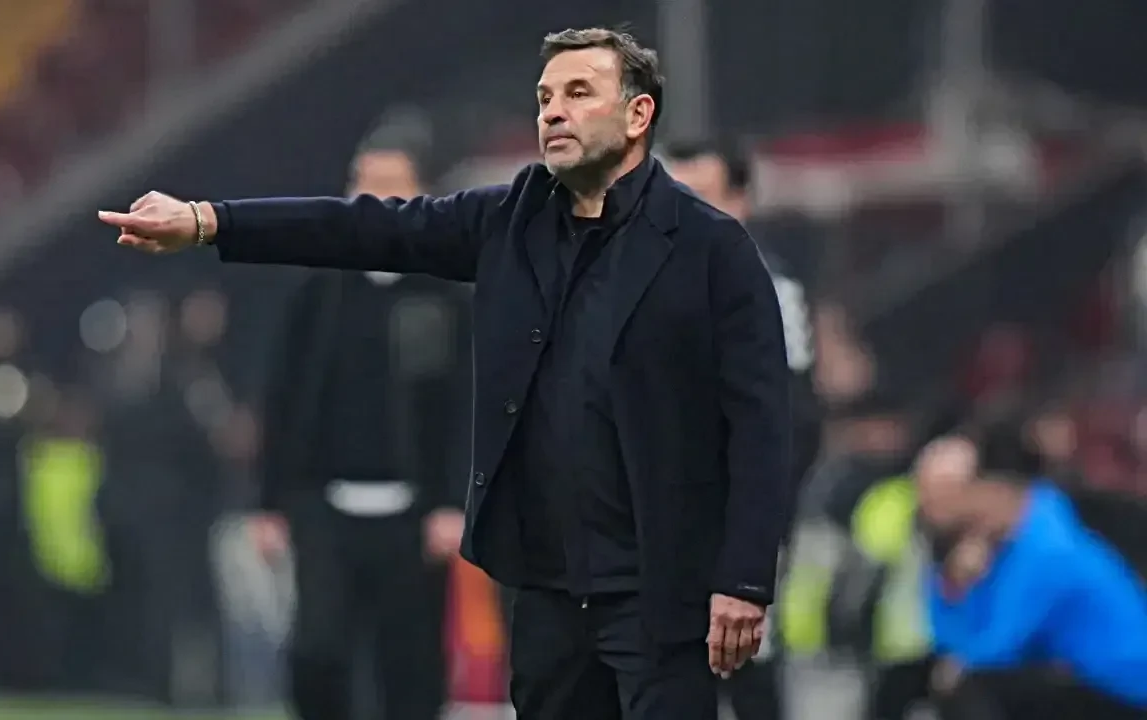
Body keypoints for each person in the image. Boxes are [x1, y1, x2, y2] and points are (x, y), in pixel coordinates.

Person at [98, 26, 793, 720]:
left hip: (662, 586)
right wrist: (209, 221)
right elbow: (359, 228)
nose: (554, 111)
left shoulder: (714, 250)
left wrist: (743, 578)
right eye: (545, 97)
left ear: (638, 114)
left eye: (579, 93)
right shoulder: (510, 221)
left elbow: (760, 425)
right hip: (545, 587)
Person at [250, 139, 472, 720]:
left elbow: (465, 407)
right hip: (324, 506)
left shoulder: (446, 294)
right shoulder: (316, 290)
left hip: (415, 514)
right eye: (363, 185)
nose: (374, 200)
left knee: (411, 667)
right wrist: (268, 502)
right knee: (318, 652)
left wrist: (454, 501)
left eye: (390, 185)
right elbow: (283, 397)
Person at [663, 139, 822, 720]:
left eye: (702, 196)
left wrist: (760, 522)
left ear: (740, 201)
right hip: (657, 515)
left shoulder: (769, 289)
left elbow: (795, 418)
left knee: (745, 657)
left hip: (738, 514)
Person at [917, 434, 1147, 717]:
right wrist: (953, 582)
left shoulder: (1047, 547)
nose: (932, 511)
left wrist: (958, 655)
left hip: (1121, 689)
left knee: (978, 687)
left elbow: (995, 649)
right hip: (1070, 677)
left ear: (990, 489)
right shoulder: (997, 544)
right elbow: (945, 640)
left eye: (945, 495)